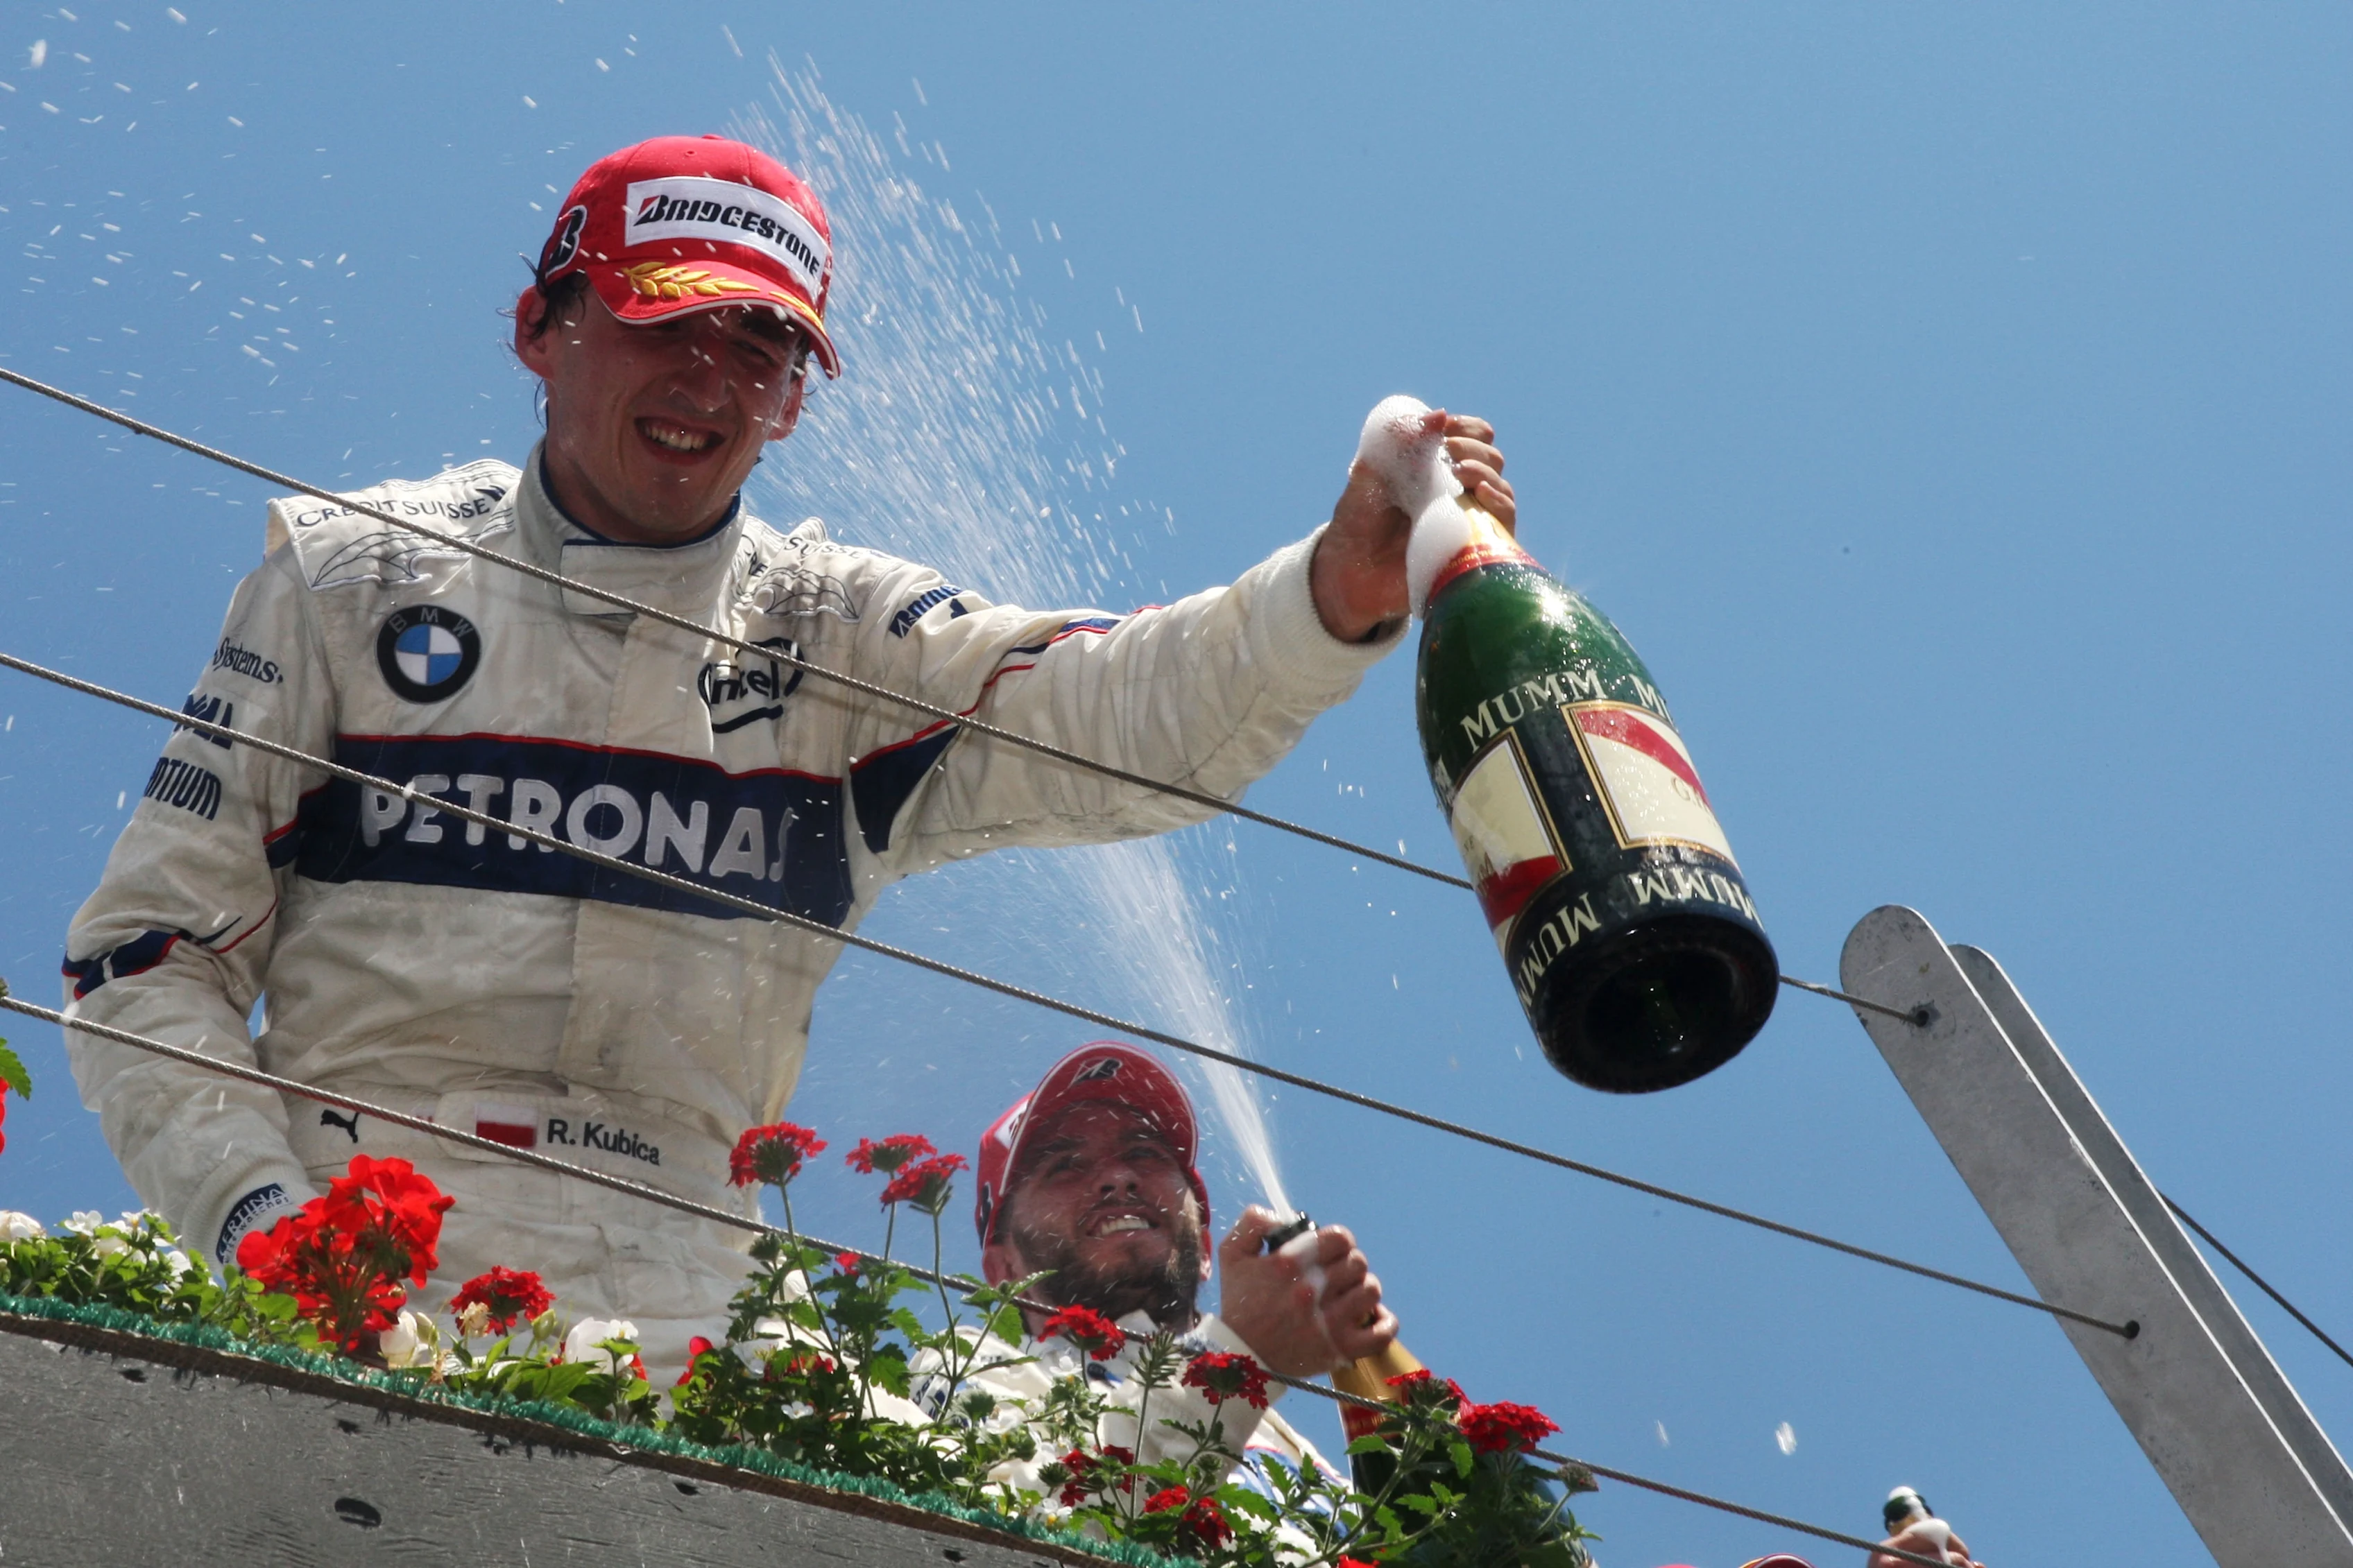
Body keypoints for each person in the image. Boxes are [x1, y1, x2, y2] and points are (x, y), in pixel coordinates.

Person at [59, 133, 1515, 1375]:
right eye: (664, 320)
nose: (711, 376)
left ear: (800, 397)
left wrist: (1332, 589)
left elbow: (1113, 712)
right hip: (350, 1253)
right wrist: (264, 1224)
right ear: (539, 327)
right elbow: (149, 954)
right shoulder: (349, 572)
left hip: (705, 1313)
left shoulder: (844, 627)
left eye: (762, 344)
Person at [920, 1041, 1394, 1503]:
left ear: (1206, 1246)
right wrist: (1236, 1362)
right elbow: (1040, 1524)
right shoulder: (965, 1370)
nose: (1118, 1176)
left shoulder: (1306, 1462)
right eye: (1065, 1165)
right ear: (1003, 1270)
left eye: (1145, 1153)